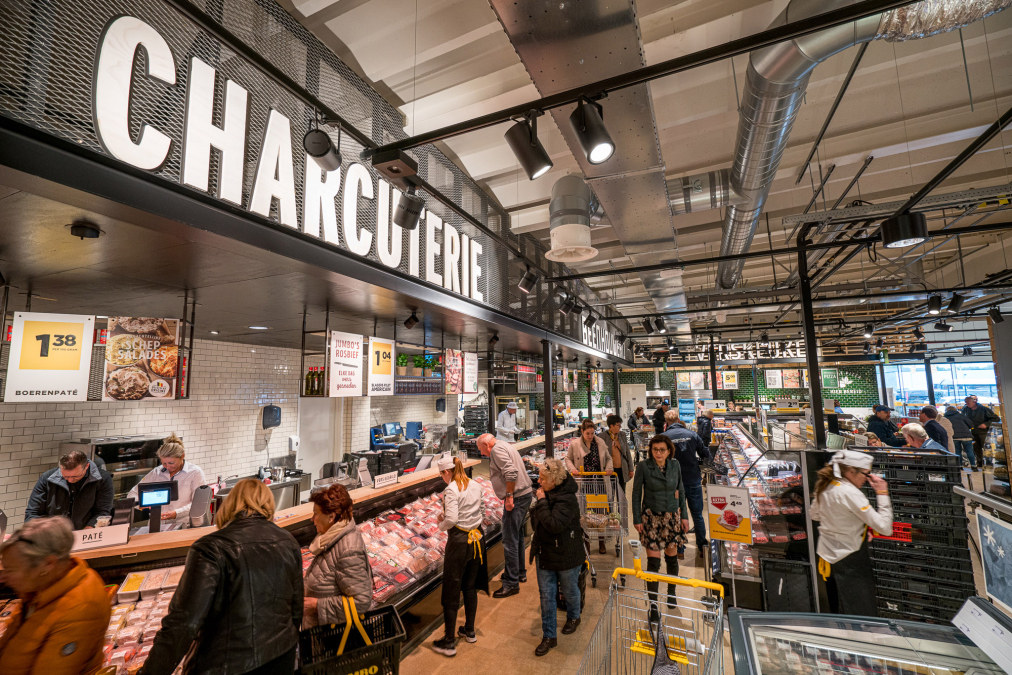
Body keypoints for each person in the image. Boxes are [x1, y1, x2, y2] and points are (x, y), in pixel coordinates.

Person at [140, 479, 303, 675]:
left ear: (230, 504)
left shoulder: (210, 547)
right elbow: (296, 610)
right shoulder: (288, 541)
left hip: (225, 665)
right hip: (280, 657)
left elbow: (183, 623)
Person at [0, 517, 111, 675]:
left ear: (48, 564)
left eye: (11, 570)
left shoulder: (80, 607)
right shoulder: (39, 588)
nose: (2, 578)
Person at [810, 450, 892, 617]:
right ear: (850, 471)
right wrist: (882, 493)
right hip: (852, 558)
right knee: (862, 612)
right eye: (865, 474)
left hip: (830, 557)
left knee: (842, 608)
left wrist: (850, 525)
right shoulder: (851, 493)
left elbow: (815, 514)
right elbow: (885, 527)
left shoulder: (826, 485)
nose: (866, 479)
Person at [432, 456, 488, 657]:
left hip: (459, 542)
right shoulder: (474, 484)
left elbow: (453, 519)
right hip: (477, 539)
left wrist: (441, 525)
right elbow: (481, 509)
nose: (442, 478)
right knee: (470, 586)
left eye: (441, 474)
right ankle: (469, 630)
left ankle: (448, 641)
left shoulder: (451, 489)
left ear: (447, 472)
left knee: (452, 589)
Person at [529, 458, 583, 657]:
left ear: (554, 481)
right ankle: (549, 636)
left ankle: (574, 616)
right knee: (546, 597)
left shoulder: (567, 499)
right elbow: (539, 522)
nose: (539, 482)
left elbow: (553, 524)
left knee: (569, 590)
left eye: (543, 479)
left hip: (566, 553)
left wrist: (541, 501)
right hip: (545, 553)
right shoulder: (546, 491)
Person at [632, 435, 690, 615]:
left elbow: (680, 490)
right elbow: (635, 494)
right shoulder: (643, 467)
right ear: (650, 451)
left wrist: (684, 516)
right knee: (653, 562)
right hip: (651, 518)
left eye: (662, 450)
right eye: (655, 449)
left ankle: (671, 593)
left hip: (672, 517)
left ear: (669, 451)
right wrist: (637, 519)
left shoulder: (675, 465)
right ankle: (654, 604)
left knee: (671, 559)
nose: (658, 453)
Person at [303, 483, 373, 630]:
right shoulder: (331, 538)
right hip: (320, 631)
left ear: (331, 517)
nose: (312, 519)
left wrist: (317, 605)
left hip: (332, 640)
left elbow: (362, 601)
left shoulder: (348, 549)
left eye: (316, 514)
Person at [476, 433, 532, 598]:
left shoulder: (497, 451)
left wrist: (508, 496)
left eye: (481, 449)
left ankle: (511, 583)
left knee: (509, 540)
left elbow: (511, 472)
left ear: (487, 445)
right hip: (524, 495)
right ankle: (518, 572)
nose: (481, 453)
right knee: (518, 536)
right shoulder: (504, 445)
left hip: (517, 498)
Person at [127, 434, 207, 525]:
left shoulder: (195, 473)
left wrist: (177, 513)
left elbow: (198, 503)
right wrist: (143, 505)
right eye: (164, 463)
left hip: (183, 525)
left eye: (171, 463)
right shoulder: (156, 472)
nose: (167, 467)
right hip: (157, 525)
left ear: (182, 456)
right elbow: (132, 494)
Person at [25, 451, 113, 531]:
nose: (70, 480)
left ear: (86, 466)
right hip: (51, 536)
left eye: (75, 476)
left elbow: (102, 512)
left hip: (83, 533)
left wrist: (88, 531)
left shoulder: (102, 479)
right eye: (65, 476)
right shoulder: (47, 478)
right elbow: (33, 512)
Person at [663, 411, 709, 559]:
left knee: (677, 516)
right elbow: (705, 454)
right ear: (678, 419)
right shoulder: (692, 434)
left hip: (673, 484)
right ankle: (702, 547)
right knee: (697, 515)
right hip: (693, 479)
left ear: (666, 422)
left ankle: (680, 550)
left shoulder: (664, 438)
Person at [566, 419, 614, 554]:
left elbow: (609, 458)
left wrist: (609, 468)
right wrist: (572, 470)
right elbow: (567, 459)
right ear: (582, 431)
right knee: (584, 514)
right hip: (582, 483)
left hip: (599, 482)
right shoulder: (575, 444)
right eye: (587, 433)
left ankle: (601, 541)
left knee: (600, 515)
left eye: (592, 433)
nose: (590, 436)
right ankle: (586, 541)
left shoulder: (600, 442)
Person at [962, 396, 1000, 468]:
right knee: (976, 448)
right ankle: (980, 463)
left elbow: (996, 418)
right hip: (972, 432)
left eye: (968, 403)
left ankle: (988, 463)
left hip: (983, 432)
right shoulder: (966, 410)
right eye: (966, 403)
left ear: (974, 402)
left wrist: (986, 424)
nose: (967, 404)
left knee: (986, 448)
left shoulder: (984, 409)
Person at [598, 414, 634, 492]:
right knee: (610, 494)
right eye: (618, 425)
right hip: (609, 470)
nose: (620, 427)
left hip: (622, 469)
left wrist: (631, 469)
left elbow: (627, 453)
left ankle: (620, 505)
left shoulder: (622, 435)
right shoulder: (602, 436)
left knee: (621, 494)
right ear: (611, 426)